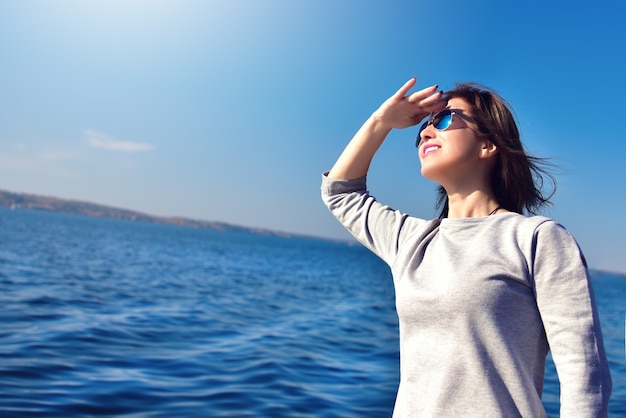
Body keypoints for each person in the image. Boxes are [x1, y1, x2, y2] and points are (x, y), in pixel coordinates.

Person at [321, 77, 612, 417]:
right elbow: (340, 193)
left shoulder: (536, 239)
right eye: (423, 129)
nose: (427, 133)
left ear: (488, 145)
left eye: (445, 119)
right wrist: (381, 122)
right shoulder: (410, 240)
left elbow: (583, 372)